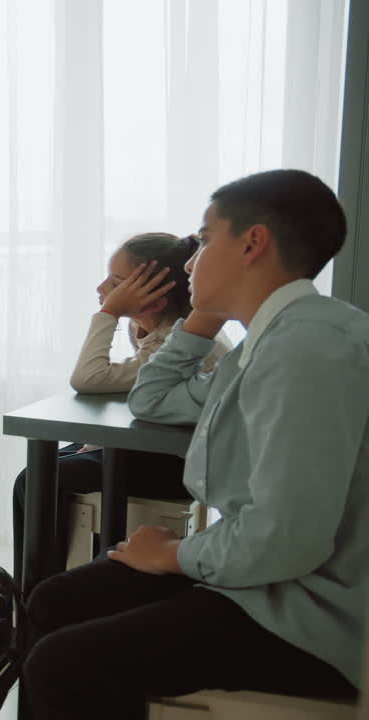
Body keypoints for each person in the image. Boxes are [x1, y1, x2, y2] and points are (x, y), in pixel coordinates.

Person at [22, 169, 366, 718]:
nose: (188, 263)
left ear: (253, 243)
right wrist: (203, 317)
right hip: (266, 579)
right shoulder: (265, 343)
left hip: (306, 612)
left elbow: (285, 540)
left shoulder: (307, 352)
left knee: (62, 666)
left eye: (204, 241)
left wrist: (174, 555)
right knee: (53, 600)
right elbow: (151, 400)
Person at [11, 233, 231, 584]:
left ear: (154, 299)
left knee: (38, 479)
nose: (103, 288)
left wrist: (108, 311)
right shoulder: (148, 326)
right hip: (156, 446)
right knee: (45, 469)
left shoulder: (177, 341)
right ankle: (42, 581)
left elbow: (88, 377)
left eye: (115, 284)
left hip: (182, 463)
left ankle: (38, 586)